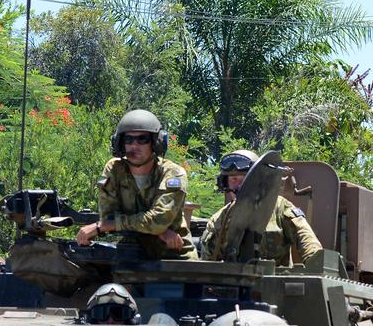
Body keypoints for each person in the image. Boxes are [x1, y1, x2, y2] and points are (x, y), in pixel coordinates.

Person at [76, 109, 195, 259]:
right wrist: (161, 231)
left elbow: (157, 220)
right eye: (128, 140)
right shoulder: (114, 169)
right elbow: (109, 218)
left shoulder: (173, 173)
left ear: (156, 142)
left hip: (174, 257)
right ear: (120, 143)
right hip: (131, 254)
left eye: (142, 139)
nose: (134, 145)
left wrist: (105, 226)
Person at [198, 149, 323, 266]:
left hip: (276, 283)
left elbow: (306, 240)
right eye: (234, 179)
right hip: (234, 283)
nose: (240, 185)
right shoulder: (219, 220)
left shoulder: (280, 207)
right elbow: (208, 264)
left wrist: (316, 264)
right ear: (225, 183)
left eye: (245, 179)